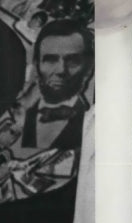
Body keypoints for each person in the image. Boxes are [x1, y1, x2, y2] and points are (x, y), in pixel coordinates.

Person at [17, 18, 93, 154]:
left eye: (72, 61)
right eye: (50, 60)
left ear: (87, 69)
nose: (60, 71)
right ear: (36, 65)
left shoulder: (90, 127)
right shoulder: (21, 108)